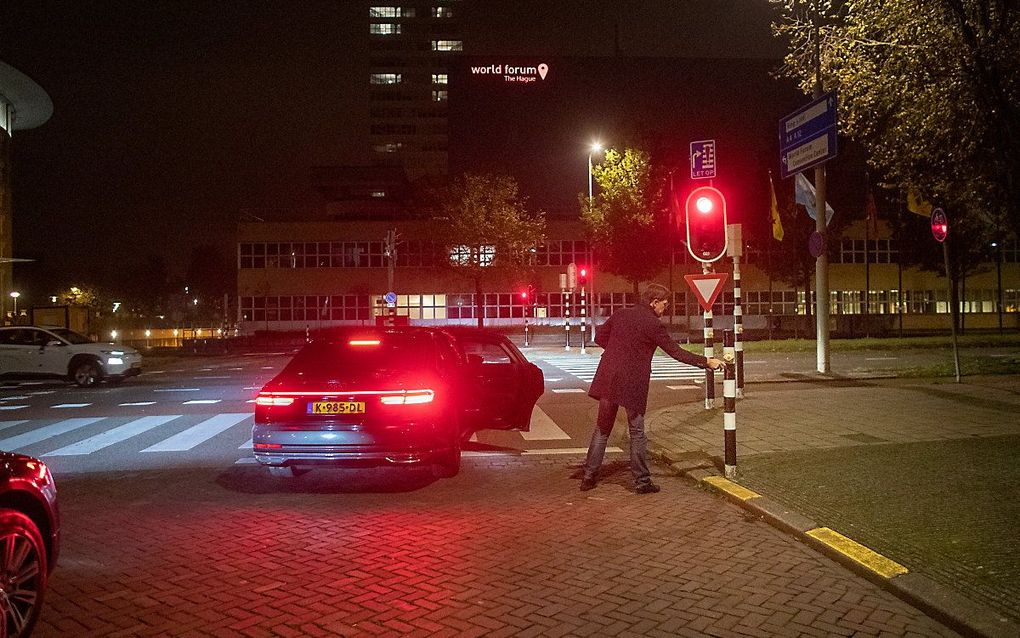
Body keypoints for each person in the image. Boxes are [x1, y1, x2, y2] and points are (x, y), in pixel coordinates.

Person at [581, 283, 723, 494]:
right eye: (664, 305)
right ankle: (642, 481)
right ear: (653, 302)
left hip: (609, 377)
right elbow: (676, 352)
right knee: (637, 432)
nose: (665, 309)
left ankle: (588, 477)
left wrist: (617, 353)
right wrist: (706, 362)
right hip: (632, 382)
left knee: (602, 429)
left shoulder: (620, 314)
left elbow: (599, 337)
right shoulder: (652, 325)